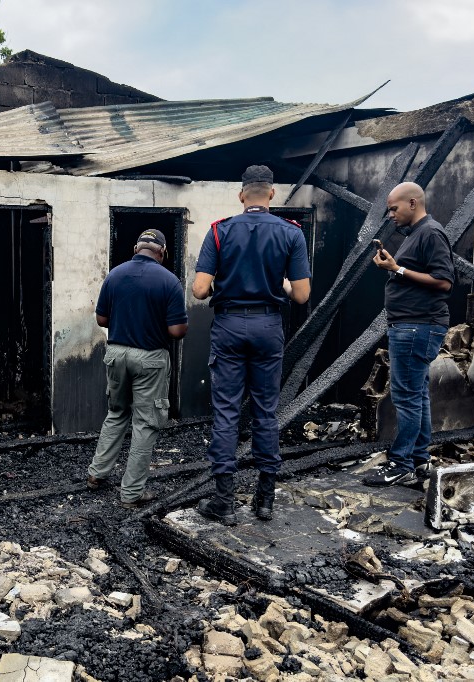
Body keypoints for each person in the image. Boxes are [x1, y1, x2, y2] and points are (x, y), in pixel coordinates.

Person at [192, 165, 311, 525]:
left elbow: (199, 290)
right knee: (265, 410)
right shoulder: (291, 234)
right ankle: (264, 501)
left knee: (227, 411)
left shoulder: (219, 231)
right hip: (268, 326)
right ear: (271, 194)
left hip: (229, 324)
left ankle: (224, 503)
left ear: (242, 195)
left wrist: (225, 286)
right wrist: (281, 287)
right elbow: (302, 295)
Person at [86, 229, 188, 508]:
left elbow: (102, 319)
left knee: (117, 412)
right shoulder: (169, 281)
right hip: (150, 359)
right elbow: (177, 330)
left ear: (135, 248)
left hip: (116, 354)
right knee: (145, 423)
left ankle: (97, 474)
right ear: (162, 253)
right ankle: (131, 494)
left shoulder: (115, 275)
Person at [363, 182, 454, 486]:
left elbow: (444, 281)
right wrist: (394, 266)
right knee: (416, 395)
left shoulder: (431, 233)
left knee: (406, 396)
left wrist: (398, 269)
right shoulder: (416, 234)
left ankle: (400, 463)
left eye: (394, 208)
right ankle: (420, 460)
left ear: (413, 203)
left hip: (418, 326)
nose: (390, 214)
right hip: (412, 325)